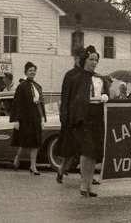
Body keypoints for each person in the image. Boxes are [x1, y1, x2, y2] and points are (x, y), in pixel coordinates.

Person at [68, 45, 110, 197]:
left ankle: (89, 185)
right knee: (86, 151)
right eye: (91, 59)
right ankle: (83, 185)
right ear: (85, 60)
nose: (94, 62)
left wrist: (105, 96)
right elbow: (75, 99)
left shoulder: (100, 78)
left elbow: (105, 94)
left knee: (93, 153)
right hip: (84, 117)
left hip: (97, 116)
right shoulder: (78, 78)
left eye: (96, 60)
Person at [10, 62, 46, 175]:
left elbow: (41, 103)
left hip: (35, 118)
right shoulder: (22, 86)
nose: (32, 72)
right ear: (26, 72)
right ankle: (17, 157)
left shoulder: (38, 86)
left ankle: (33, 166)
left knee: (35, 143)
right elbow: (17, 103)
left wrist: (43, 118)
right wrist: (16, 120)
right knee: (24, 143)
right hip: (25, 119)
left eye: (34, 70)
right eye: (30, 70)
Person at [56, 47, 85, 183]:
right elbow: (65, 96)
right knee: (70, 150)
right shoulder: (70, 75)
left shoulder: (87, 74)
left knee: (84, 149)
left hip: (83, 117)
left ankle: (86, 176)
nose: (80, 60)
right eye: (78, 57)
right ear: (75, 58)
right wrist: (64, 116)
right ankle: (61, 171)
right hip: (71, 118)